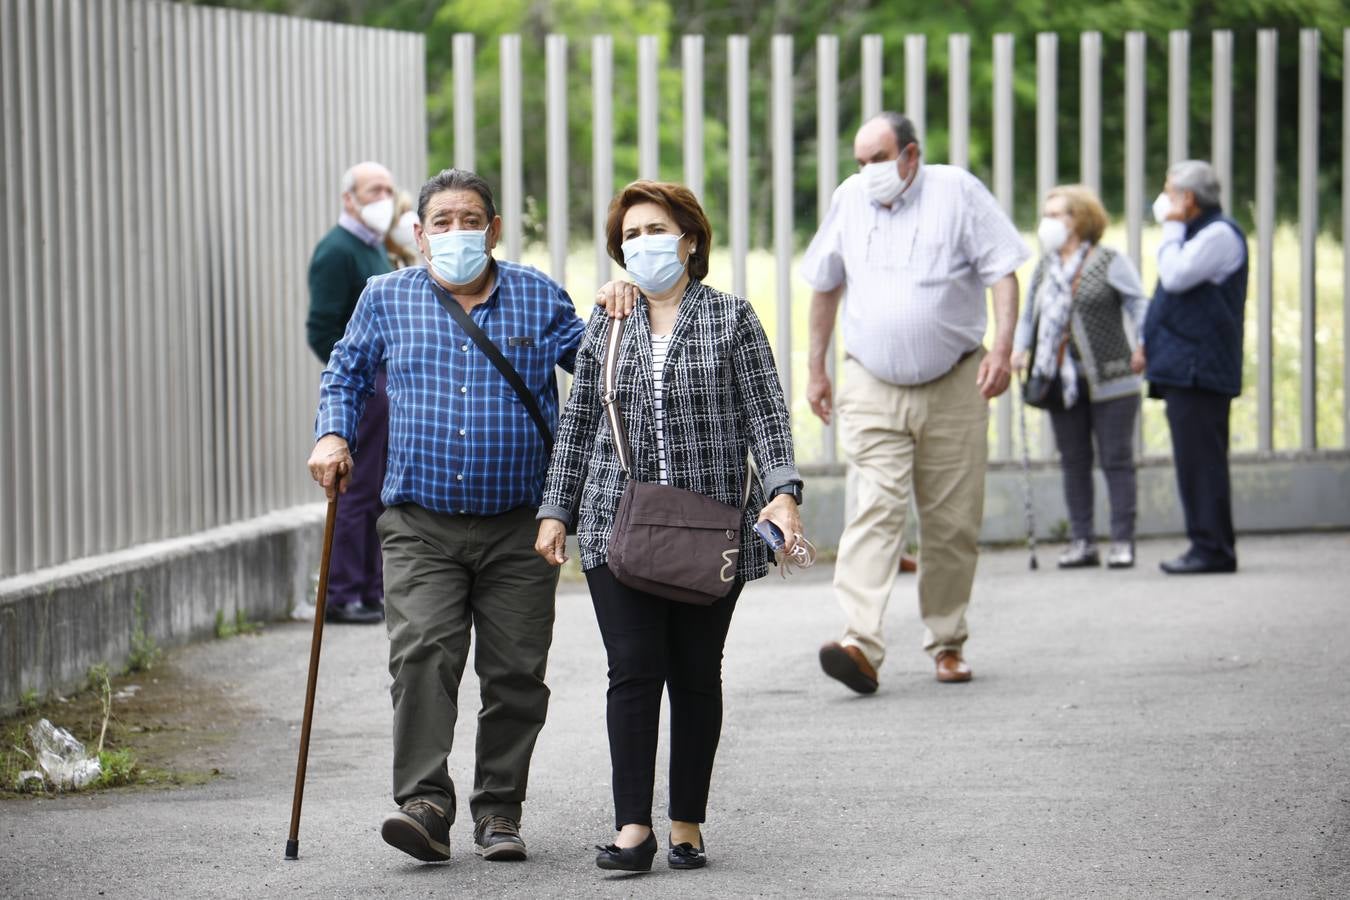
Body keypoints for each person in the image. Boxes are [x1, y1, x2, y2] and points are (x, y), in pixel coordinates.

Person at [307, 168, 586, 863]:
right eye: (442, 221)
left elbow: (600, 364)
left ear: (493, 230)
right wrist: (333, 432)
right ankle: (425, 802)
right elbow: (343, 371)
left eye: (471, 220)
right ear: (420, 233)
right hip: (419, 522)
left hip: (521, 522)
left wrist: (620, 308)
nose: (457, 232)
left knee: (517, 670)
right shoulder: (385, 296)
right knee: (422, 653)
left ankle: (499, 811)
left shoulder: (538, 297)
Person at [535, 180, 803, 872]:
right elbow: (578, 423)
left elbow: (766, 416)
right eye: (629, 236)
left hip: (708, 528)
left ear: (689, 238)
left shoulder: (732, 319)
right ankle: (633, 829)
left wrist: (782, 493)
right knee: (632, 669)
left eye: (655, 230)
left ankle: (686, 820)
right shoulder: (608, 321)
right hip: (612, 522)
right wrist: (555, 509)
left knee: (694, 672)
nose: (642, 244)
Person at [802, 111, 1029, 694]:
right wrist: (815, 368)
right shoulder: (850, 199)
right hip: (872, 383)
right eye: (859, 161)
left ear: (910, 155)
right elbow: (825, 282)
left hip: (955, 381)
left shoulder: (957, 192)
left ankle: (947, 642)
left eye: (878, 159)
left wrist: (1002, 350)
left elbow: (1004, 272)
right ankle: (860, 641)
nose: (867, 172)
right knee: (873, 508)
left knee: (951, 522)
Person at [1012, 185, 1148, 569]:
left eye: (1058, 214)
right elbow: (1029, 316)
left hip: (1112, 378)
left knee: (1116, 460)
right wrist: (1020, 350)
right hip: (1060, 381)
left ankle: (1123, 541)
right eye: (1047, 214)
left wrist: (1143, 344)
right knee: (1073, 461)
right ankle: (1082, 540)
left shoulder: (1108, 260)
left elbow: (1138, 304)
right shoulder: (1045, 265)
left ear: (1081, 220)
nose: (1048, 222)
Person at [1135, 160, 1248, 574]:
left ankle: (1213, 549)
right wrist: (1148, 342)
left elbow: (1176, 276)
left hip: (1200, 369)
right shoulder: (1197, 234)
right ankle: (1207, 543)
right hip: (1185, 366)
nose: (1162, 199)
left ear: (1189, 198)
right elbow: (1169, 296)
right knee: (1194, 460)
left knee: (1202, 461)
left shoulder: (1218, 234)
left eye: (1169, 191)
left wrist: (1169, 226)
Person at [306, 161, 396, 625]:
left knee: (377, 489)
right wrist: (358, 377)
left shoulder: (373, 248)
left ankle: (368, 589)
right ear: (349, 199)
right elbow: (321, 328)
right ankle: (343, 592)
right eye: (372, 189)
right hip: (366, 386)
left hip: (385, 384)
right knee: (355, 488)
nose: (383, 197)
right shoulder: (337, 251)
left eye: (387, 189)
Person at [385, 190, 419, 269]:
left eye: (409, 210)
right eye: (402, 212)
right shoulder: (380, 261)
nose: (409, 217)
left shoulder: (410, 259)